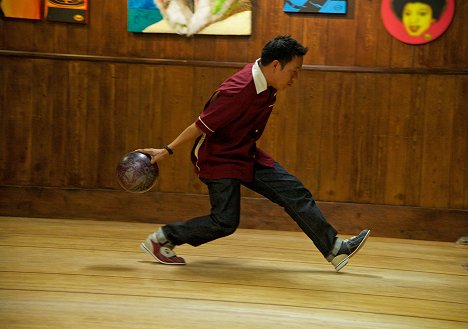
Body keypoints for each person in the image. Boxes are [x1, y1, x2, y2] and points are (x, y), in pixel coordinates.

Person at [137, 35, 370, 272]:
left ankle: (335, 248)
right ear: (276, 65)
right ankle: (163, 238)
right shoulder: (239, 89)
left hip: (244, 153)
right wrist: (167, 149)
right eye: (294, 71)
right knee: (224, 222)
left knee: (294, 192)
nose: (295, 77)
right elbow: (200, 125)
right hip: (217, 157)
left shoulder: (266, 80)